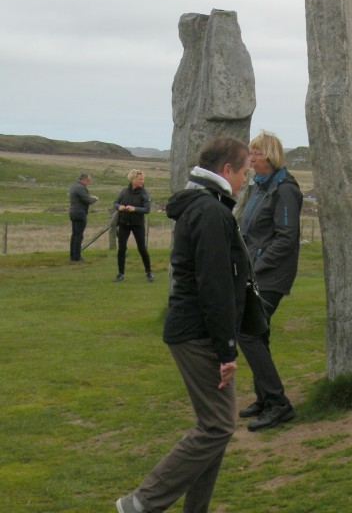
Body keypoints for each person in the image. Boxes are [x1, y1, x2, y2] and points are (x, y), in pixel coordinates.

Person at [115, 136, 250, 513]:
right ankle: (141, 502)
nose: (244, 180)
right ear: (227, 170)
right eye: (243, 172)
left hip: (197, 330)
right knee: (218, 426)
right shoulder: (210, 211)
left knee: (215, 427)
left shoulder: (207, 205)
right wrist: (226, 349)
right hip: (198, 333)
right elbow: (215, 284)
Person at [237, 130, 303, 432]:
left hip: (271, 274)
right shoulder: (260, 187)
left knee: (248, 333)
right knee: (257, 334)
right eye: (250, 153)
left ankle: (278, 403)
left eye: (257, 153)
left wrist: (258, 266)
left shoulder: (284, 189)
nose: (251, 159)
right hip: (254, 271)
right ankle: (265, 398)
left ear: (271, 156)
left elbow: (286, 238)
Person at [113, 169, 154, 281]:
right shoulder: (124, 191)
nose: (142, 181)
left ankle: (149, 272)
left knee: (142, 248)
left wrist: (134, 209)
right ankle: (121, 273)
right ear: (133, 179)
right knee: (121, 249)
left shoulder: (144, 193)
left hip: (138, 224)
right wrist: (119, 207)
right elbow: (115, 203)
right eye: (139, 179)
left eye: (142, 179)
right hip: (123, 223)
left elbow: (147, 209)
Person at [68, 172, 97, 262]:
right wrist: (95, 198)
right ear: (84, 179)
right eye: (88, 180)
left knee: (74, 234)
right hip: (80, 213)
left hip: (73, 212)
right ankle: (77, 257)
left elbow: (82, 197)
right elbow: (87, 200)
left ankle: (72, 255)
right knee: (79, 236)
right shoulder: (81, 187)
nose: (89, 182)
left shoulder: (74, 186)